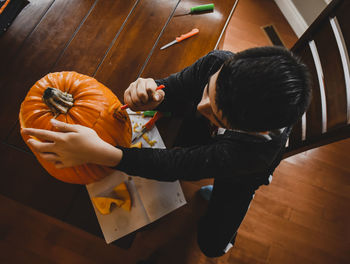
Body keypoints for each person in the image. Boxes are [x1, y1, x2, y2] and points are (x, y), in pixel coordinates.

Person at [22, 46, 311, 258]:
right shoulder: (218, 61)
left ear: (253, 130)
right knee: (192, 127)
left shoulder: (253, 152)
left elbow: (180, 165)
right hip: (217, 147)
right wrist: (155, 93)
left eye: (216, 114)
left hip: (243, 172)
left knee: (211, 243)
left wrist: (104, 154)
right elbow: (177, 87)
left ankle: (227, 227)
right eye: (208, 91)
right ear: (228, 65)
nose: (201, 106)